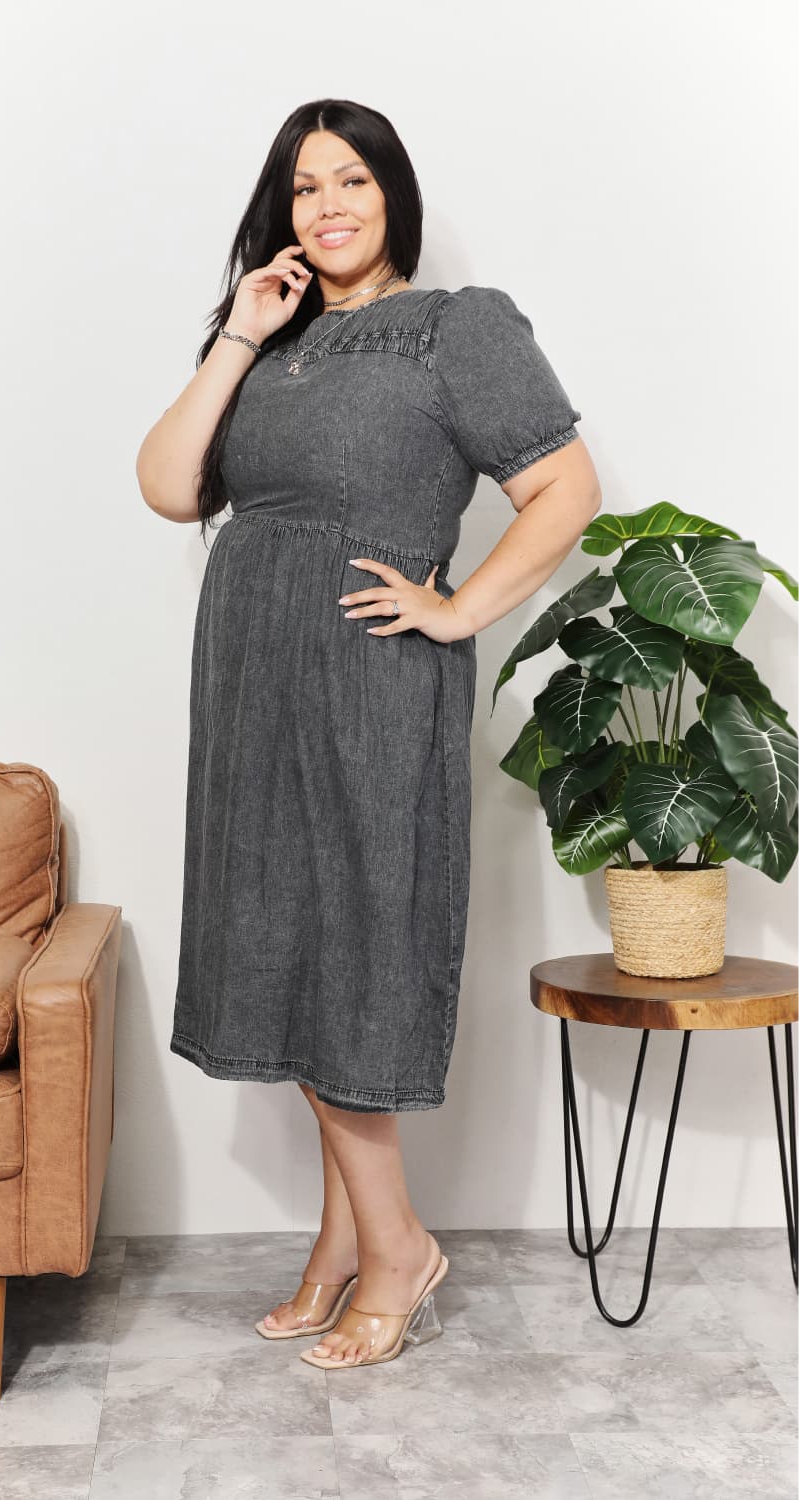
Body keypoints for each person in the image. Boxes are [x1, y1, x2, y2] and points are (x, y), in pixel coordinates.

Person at [136, 98, 602, 1369]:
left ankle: (396, 1245)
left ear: (392, 194)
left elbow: (563, 486)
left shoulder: (460, 329)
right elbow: (172, 486)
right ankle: (345, 1243)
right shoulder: (269, 339)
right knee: (278, 936)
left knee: (353, 941)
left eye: (351, 180)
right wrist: (238, 333)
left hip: (367, 677)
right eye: (302, 187)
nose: (327, 204)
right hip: (247, 682)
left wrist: (456, 609)